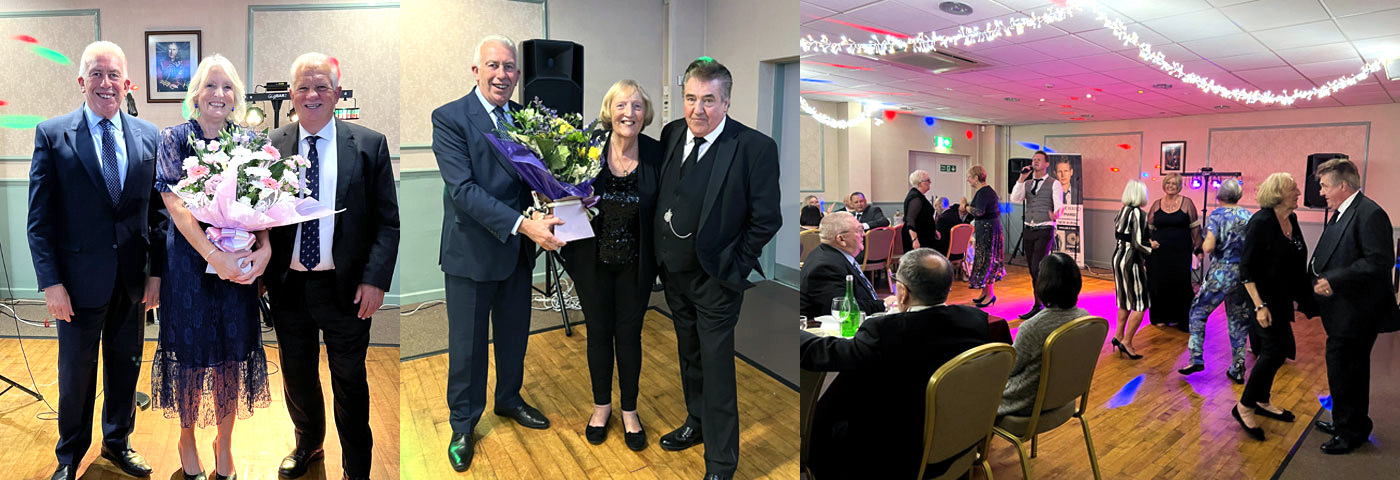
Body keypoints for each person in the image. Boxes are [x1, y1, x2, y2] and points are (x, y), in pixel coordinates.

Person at [261, 53, 399, 480]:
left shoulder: (369, 144)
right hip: (289, 288)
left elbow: (387, 222)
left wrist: (375, 281)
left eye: (321, 86)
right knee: (297, 377)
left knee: (350, 382)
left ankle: (356, 466)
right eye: (303, 87)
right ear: (290, 96)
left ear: (337, 93)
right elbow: (257, 214)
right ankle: (308, 444)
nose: (312, 95)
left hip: (347, 289)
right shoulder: (271, 145)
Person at [29, 41, 162, 480]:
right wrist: (51, 284)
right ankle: (69, 456)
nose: (107, 84)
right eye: (97, 74)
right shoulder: (52, 134)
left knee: (125, 368)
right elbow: (40, 220)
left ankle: (118, 442)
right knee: (76, 378)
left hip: (131, 283)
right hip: (76, 284)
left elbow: (158, 215)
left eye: (115, 76)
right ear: (82, 81)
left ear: (127, 84)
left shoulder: (149, 136)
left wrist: (156, 275)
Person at [431, 35, 565, 472]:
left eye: (509, 67)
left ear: (517, 74)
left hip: (516, 255)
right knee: (467, 348)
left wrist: (561, 198)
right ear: (476, 71)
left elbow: (536, 180)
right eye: (493, 66)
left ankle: (508, 399)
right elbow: (464, 191)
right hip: (472, 254)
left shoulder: (523, 120)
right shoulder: (450, 118)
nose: (502, 75)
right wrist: (526, 225)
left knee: (514, 336)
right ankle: (463, 424)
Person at [653, 57, 781, 480]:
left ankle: (722, 461)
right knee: (689, 357)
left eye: (708, 100)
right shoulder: (672, 133)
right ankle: (696, 423)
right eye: (691, 98)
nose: (697, 110)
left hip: (715, 282)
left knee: (717, 367)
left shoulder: (754, 147)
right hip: (674, 277)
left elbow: (766, 219)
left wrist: (734, 265)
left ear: (726, 101)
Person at [151, 54, 271, 480]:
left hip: (238, 268)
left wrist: (266, 249)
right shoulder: (174, 139)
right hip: (188, 266)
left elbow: (265, 204)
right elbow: (177, 208)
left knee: (231, 355)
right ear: (195, 95)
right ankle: (187, 438)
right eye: (210, 86)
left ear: (236, 96)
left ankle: (224, 442)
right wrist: (212, 256)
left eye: (227, 87)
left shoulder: (250, 141)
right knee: (190, 356)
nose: (219, 94)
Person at [800, 249, 991, 479]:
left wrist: (796, 335)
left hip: (897, 452)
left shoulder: (886, 332)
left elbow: (829, 354)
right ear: (947, 287)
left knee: (824, 423)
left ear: (902, 293)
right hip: (957, 436)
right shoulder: (975, 320)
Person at [557, 79, 661, 451]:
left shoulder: (655, 153)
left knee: (629, 337)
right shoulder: (588, 150)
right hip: (592, 263)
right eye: (621, 106)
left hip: (637, 265)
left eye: (636, 106)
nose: (628, 113)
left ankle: (630, 410)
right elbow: (561, 194)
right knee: (598, 333)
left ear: (644, 114)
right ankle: (601, 406)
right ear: (609, 111)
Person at [1309, 158, 1399, 454]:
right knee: (1344, 369)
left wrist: (1333, 279)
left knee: (1348, 369)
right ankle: (1347, 421)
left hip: (1358, 312)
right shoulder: (1344, 211)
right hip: (1343, 309)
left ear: (1342, 185)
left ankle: (1351, 432)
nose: (1320, 191)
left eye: (1324, 185)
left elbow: (1378, 262)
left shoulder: (1370, 213)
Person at [1232, 173, 1315, 442]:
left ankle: (1262, 400)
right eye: (1294, 189)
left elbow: (1297, 260)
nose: (1299, 192)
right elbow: (1246, 268)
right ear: (1278, 193)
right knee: (1272, 351)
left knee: (1278, 352)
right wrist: (1259, 306)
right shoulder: (1262, 222)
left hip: (1280, 297)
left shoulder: (1291, 218)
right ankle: (1244, 405)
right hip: (1259, 298)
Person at [1178, 179, 1253, 383]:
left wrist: (1202, 244)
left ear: (1218, 196)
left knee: (1198, 311)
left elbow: (1209, 247)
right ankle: (1238, 368)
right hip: (1242, 274)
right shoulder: (1248, 215)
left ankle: (1195, 358)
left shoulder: (1217, 215)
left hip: (1221, 271)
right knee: (1238, 320)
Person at [999, 253, 1090, 416]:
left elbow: (1009, 369)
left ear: (1043, 284)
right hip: (1065, 397)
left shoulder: (1033, 327)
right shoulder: (1085, 317)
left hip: (1028, 403)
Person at [1009, 151, 1065, 320]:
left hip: (1044, 228)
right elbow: (1014, 199)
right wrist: (1021, 179)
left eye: (1039, 160)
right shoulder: (1027, 183)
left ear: (1047, 164)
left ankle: (1041, 304)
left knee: (1037, 268)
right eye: (1034, 160)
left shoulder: (1054, 183)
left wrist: (1056, 214)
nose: (1035, 162)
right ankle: (1041, 302)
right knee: (1033, 271)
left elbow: (1059, 204)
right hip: (1029, 229)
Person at [800, 212, 886, 319]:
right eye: (859, 230)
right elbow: (843, 309)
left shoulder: (834, 255)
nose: (864, 234)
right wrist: (884, 305)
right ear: (841, 239)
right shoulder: (825, 267)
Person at [1147, 174, 1200, 330]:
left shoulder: (1187, 204)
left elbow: (1195, 229)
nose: (1171, 185)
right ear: (1164, 185)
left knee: (1180, 283)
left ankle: (1180, 319)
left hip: (1180, 253)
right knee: (1158, 284)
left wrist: (1198, 249)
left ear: (1179, 186)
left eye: (1174, 183)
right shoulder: (1156, 204)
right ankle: (1160, 317)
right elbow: (1148, 229)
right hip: (1159, 254)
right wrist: (1149, 244)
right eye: (1168, 183)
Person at [1111, 181, 1151, 359]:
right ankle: (1127, 341)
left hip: (1117, 257)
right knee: (1141, 303)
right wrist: (1153, 247)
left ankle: (1118, 335)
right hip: (1132, 261)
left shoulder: (1121, 211)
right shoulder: (1138, 213)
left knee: (1124, 299)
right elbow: (1138, 243)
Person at [964, 165, 1004, 308]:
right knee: (984, 261)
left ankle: (990, 294)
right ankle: (985, 292)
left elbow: (978, 211)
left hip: (989, 232)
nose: (968, 180)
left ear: (976, 178)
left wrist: (965, 207)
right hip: (985, 231)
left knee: (988, 262)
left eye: (969, 177)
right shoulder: (983, 191)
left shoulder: (985, 192)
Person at [901, 170, 936, 252]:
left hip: (924, 235)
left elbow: (923, 216)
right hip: (918, 237)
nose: (930, 182)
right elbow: (910, 219)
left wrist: (934, 230)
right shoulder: (916, 197)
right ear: (920, 183)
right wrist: (914, 239)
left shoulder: (919, 196)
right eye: (928, 180)